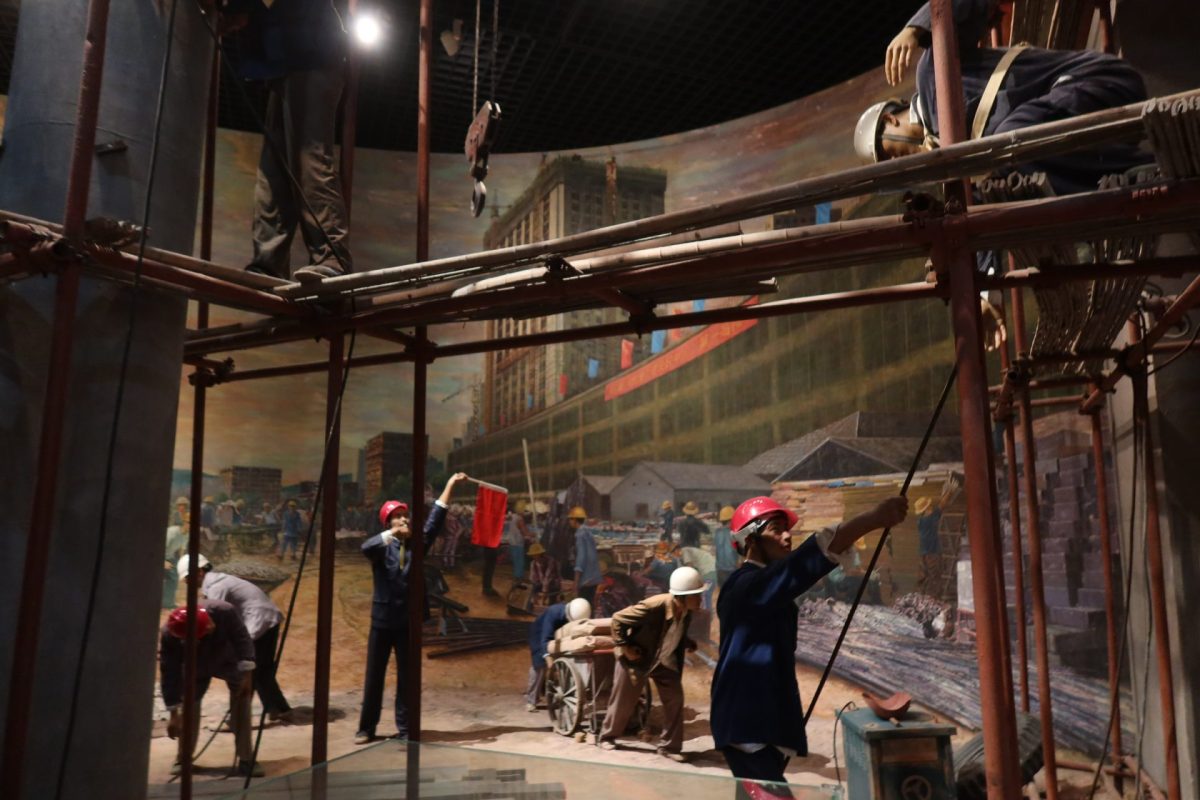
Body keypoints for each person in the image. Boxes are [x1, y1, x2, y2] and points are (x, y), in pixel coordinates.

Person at [710, 495, 907, 795]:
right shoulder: (746, 586)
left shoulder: (762, 587)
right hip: (749, 724)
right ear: (750, 539)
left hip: (761, 721)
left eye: (787, 529)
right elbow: (803, 563)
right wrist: (872, 519)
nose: (787, 536)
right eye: (776, 529)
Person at [855, 0, 1150, 196]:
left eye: (887, 154)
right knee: (1002, 181)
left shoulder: (932, 74)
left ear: (890, 119)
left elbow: (970, 3)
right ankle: (1121, 185)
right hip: (1094, 133)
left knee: (1009, 141)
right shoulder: (956, 165)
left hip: (1097, 79)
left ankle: (1140, 173)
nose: (897, 163)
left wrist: (915, 28)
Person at [222, 0, 353, 283]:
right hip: (287, 64)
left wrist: (234, 8)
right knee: (273, 169)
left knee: (308, 159)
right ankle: (269, 263)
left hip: (312, 56)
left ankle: (331, 257)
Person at [356, 472, 468, 744]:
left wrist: (450, 484)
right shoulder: (381, 548)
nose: (404, 519)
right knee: (374, 676)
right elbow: (365, 547)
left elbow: (436, 517)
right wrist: (391, 534)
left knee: (407, 679)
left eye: (405, 515)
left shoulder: (418, 544)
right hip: (382, 622)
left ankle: (405, 729)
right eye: (397, 516)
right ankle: (366, 728)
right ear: (388, 522)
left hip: (407, 622)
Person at [598, 566, 706, 761]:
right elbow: (618, 620)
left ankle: (669, 747)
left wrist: (687, 642)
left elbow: (672, 632)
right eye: (696, 595)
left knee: (675, 700)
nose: (700, 599)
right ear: (682, 597)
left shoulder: (686, 612)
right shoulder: (654, 606)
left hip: (662, 660)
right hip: (637, 658)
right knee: (623, 700)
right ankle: (607, 736)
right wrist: (626, 648)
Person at [179, 553, 292, 722]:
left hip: (259, 621)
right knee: (261, 669)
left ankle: (238, 718)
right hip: (266, 620)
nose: (187, 582)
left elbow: (213, 619)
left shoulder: (217, 587)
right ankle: (278, 709)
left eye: (188, 578)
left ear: (200, 571)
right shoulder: (216, 583)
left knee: (248, 669)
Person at [159, 601, 263, 777]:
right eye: (206, 629)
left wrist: (247, 677)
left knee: (242, 703)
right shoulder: (170, 634)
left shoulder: (224, 611)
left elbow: (242, 640)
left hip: (229, 660)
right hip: (195, 666)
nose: (211, 627)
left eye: (210, 623)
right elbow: (169, 672)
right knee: (189, 708)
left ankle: (246, 759)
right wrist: (173, 714)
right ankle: (183, 759)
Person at [524, 597, 591, 712]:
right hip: (539, 635)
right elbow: (545, 639)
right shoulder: (553, 613)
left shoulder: (580, 612)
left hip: (556, 636)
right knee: (539, 666)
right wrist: (549, 660)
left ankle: (547, 694)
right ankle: (531, 701)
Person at [568, 507, 602, 604]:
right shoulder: (588, 532)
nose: (569, 521)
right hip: (594, 577)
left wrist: (576, 581)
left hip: (586, 579)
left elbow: (581, 558)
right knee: (590, 605)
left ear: (575, 520)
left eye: (570, 519)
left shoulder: (580, 534)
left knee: (583, 605)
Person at [504, 504, 532, 581]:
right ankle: (519, 576)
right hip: (518, 542)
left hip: (511, 541)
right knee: (519, 560)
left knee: (515, 560)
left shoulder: (512, 516)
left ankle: (516, 575)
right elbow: (524, 532)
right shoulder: (520, 519)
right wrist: (533, 534)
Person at [714, 505, 738, 587]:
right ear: (731, 520)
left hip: (720, 569)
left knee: (722, 590)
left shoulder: (717, 533)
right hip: (732, 569)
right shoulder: (734, 533)